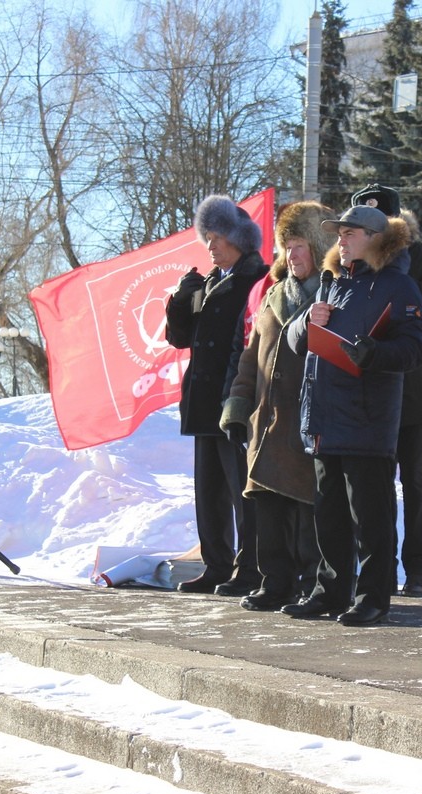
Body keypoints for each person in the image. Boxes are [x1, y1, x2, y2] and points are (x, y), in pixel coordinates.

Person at [280, 205, 422, 626]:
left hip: (367, 420)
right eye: (339, 234)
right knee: (329, 515)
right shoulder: (331, 283)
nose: (340, 240)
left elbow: (415, 350)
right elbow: (293, 342)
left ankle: (373, 596)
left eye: (350, 233)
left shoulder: (399, 287)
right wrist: (308, 319)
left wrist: (375, 352)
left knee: (371, 517)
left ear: (376, 238)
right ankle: (330, 591)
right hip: (325, 418)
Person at [219, 202, 335, 611]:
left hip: (309, 420)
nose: (293, 256)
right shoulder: (271, 295)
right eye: (287, 247)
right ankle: (275, 582)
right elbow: (250, 357)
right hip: (267, 420)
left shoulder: (334, 293)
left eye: (301, 245)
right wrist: (237, 404)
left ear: (320, 247)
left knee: (307, 512)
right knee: (268, 508)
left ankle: (309, 583)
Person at [350, 184, 422, 598]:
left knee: (415, 483)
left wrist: (398, 273)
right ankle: (379, 568)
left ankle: (418, 568)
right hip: (370, 387)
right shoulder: (353, 265)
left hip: (415, 389)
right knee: (374, 485)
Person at [165, 195, 268, 595]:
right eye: (206, 238)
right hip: (203, 400)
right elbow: (179, 338)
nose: (210, 246)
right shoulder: (209, 281)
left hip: (235, 399)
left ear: (239, 239)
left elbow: (248, 343)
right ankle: (216, 563)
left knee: (242, 489)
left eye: (217, 237)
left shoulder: (255, 279)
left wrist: (237, 398)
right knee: (208, 491)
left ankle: (251, 568)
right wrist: (180, 300)